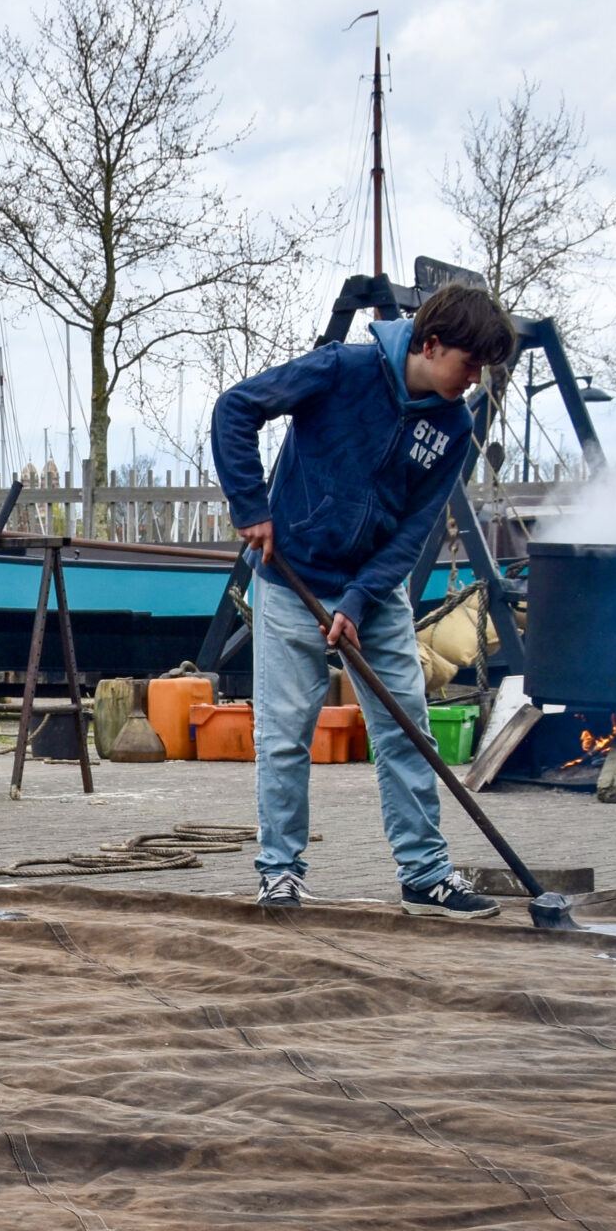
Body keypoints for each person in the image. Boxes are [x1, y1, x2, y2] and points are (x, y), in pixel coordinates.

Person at [213, 283, 517, 919]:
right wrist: (250, 505)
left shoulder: (453, 426)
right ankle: (279, 873)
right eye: (469, 365)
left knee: (407, 732)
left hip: (375, 596)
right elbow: (235, 408)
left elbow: (414, 530)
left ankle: (425, 875)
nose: (473, 381)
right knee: (284, 738)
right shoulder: (340, 369)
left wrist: (358, 599)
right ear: (431, 345)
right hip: (290, 581)